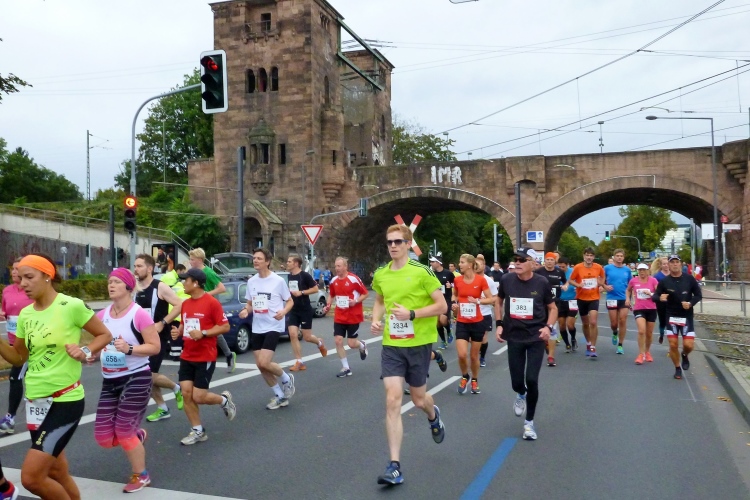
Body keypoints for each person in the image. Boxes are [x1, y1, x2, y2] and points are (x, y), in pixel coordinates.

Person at [0, 253, 112, 499]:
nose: (22, 283)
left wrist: (85, 351)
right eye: (19, 278)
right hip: (35, 402)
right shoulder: (27, 314)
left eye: (29, 277)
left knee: (31, 478)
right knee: (57, 472)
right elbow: (18, 358)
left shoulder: (70, 306)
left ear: (47, 276)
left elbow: (104, 335)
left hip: (64, 400)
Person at [371, 224, 447, 485]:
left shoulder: (422, 272)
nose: (393, 246)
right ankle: (394, 466)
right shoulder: (381, 274)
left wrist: (412, 314)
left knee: (418, 400)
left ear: (407, 244)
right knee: (392, 399)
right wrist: (375, 319)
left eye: (398, 242)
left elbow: (442, 305)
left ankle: (433, 415)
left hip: (419, 344)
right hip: (392, 344)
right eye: (389, 242)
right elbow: (379, 300)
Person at [93, 268, 160, 493]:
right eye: (109, 282)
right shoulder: (102, 316)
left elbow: (155, 347)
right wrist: (92, 355)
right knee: (103, 438)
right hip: (110, 380)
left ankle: (141, 475)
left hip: (136, 377)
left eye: (116, 282)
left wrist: (129, 348)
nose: (111, 285)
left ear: (129, 287)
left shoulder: (138, 314)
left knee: (123, 432)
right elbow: (99, 346)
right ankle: (136, 435)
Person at [496, 247, 556, 441]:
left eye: (522, 260)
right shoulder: (507, 279)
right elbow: (498, 301)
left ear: (533, 263)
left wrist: (548, 327)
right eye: (516, 259)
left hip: (535, 337)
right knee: (517, 382)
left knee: (531, 379)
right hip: (514, 336)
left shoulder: (542, 282)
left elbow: (552, 308)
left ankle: (529, 423)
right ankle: (520, 393)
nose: (518, 263)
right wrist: (499, 324)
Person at [171, 268, 235, 445]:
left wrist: (204, 333)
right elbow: (185, 325)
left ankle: (223, 400)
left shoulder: (211, 303)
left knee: (199, 397)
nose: (183, 283)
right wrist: (178, 331)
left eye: (186, 280)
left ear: (196, 283)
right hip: (187, 355)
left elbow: (225, 326)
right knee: (186, 393)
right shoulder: (185, 304)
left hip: (205, 356)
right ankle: (198, 431)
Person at [239, 248, 296, 409]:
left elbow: (290, 301)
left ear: (267, 262)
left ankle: (286, 378)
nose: (255, 261)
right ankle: (279, 395)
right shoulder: (251, 281)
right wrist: (245, 310)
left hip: (273, 325)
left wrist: (283, 311)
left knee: (265, 362)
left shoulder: (278, 281)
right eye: (254, 258)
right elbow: (250, 304)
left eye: (259, 258)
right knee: (260, 365)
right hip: (258, 326)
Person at [133, 254, 185, 424]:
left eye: (139, 266)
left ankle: (176, 388)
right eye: (135, 266)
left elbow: (179, 305)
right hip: (139, 337)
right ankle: (163, 408)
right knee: (147, 375)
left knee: (146, 374)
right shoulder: (134, 288)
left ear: (150, 268)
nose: (136, 269)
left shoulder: (160, 286)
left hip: (157, 338)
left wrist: (163, 323)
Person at [653, 255, 702, 379]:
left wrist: (690, 303)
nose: (675, 264)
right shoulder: (664, 281)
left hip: (686, 316)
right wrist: (660, 298)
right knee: (673, 344)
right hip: (671, 316)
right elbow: (655, 296)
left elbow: (698, 295)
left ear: (680, 264)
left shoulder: (689, 279)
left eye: (677, 262)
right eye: (672, 262)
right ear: (668, 265)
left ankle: (684, 355)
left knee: (689, 345)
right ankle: (677, 368)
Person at [451, 254, 493, 394]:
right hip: (462, 322)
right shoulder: (457, 280)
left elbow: (491, 299)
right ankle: (465, 376)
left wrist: (478, 301)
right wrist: (454, 303)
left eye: (462, 262)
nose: (459, 264)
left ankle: (474, 379)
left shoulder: (481, 280)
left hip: (477, 322)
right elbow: (455, 295)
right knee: (462, 354)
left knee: (474, 356)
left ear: (469, 265)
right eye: (459, 262)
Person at [188, 248, 236, 372]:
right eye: (190, 259)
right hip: (196, 304)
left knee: (214, 331)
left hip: (209, 305)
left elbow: (222, 288)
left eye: (192, 260)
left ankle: (228, 354)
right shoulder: (192, 272)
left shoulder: (208, 272)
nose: (190, 262)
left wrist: (206, 294)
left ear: (200, 260)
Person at [0, 258, 33, 435]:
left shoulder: (32, 292)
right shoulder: (7, 291)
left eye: (17, 269)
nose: (14, 272)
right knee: (32, 378)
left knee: (15, 376)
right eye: (12, 269)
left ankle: (10, 418)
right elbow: (5, 312)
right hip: (13, 342)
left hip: (30, 344)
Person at [324, 257, 369, 377]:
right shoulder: (333, 280)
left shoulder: (353, 279)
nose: (336, 268)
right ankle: (346, 367)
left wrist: (355, 301)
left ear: (345, 267)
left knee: (351, 344)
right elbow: (331, 295)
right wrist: (328, 305)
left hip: (353, 316)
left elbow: (365, 293)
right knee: (338, 340)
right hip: (339, 315)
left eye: (339, 266)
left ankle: (362, 345)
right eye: (335, 266)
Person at [286, 254, 328, 371]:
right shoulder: (289, 276)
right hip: (293, 309)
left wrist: (302, 292)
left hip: (305, 310)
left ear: (296, 263)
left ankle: (319, 343)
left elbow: (315, 289)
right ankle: (299, 362)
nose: (287, 263)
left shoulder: (305, 275)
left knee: (307, 337)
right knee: (293, 334)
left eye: (289, 261)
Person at [568, 247, 606, 358]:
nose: (589, 257)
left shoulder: (598, 267)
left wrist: (600, 283)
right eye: (587, 255)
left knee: (593, 322)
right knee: (585, 323)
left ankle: (593, 347)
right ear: (583, 256)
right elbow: (570, 280)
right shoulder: (578, 267)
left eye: (591, 255)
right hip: (581, 298)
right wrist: (578, 285)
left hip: (594, 297)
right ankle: (588, 343)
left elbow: (603, 277)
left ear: (594, 257)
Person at [535, 252, 565, 366]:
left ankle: (551, 357)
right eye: (547, 259)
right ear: (545, 261)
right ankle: (546, 343)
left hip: (554, 304)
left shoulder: (559, 271)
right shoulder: (539, 271)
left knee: (552, 327)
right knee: (541, 327)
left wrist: (565, 285)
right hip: (541, 304)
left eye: (551, 260)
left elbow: (565, 281)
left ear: (555, 261)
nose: (549, 262)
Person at [626, 263, 658, 365]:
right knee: (641, 331)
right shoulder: (633, 280)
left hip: (651, 309)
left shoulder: (653, 280)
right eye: (640, 270)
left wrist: (650, 294)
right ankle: (641, 354)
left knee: (649, 333)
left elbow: (658, 294)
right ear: (638, 271)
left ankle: (647, 352)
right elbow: (628, 290)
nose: (642, 272)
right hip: (639, 308)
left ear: (648, 271)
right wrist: (628, 299)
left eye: (644, 270)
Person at [603, 249, 632, 355]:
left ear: (624, 257)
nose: (619, 257)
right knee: (614, 323)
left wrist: (630, 298)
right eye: (617, 256)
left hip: (623, 298)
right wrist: (605, 286)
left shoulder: (627, 270)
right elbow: (600, 280)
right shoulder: (607, 268)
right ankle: (615, 332)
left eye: (621, 256)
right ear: (614, 257)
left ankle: (620, 345)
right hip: (611, 298)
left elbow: (631, 285)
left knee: (623, 320)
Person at [475, 254, 499, 368]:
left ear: (484, 266)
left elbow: (495, 298)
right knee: (473, 338)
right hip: (471, 313)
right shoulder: (468, 279)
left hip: (485, 313)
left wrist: (484, 300)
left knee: (483, 337)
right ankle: (475, 354)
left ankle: (482, 357)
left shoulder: (489, 281)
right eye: (476, 264)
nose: (477, 266)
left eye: (480, 264)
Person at [429, 254, 454, 349]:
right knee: (438, 322)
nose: (431, 263)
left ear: (438, 263)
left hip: (446, 299)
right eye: (431, 262)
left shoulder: (448, 273)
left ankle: (449, 331)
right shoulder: (431, 274)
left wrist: (451, 286)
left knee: (443, 320)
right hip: (435, 300)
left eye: (433, 262)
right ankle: (443, 341)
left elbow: (456, 284)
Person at [556, 257, 578, 352]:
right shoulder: (555, 272)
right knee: (561, 325)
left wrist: (578, 288)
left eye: (563, 267)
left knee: (570, 324)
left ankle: (573, 338)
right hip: (560, 301)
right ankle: (567, 343)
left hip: (572, 301)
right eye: (559, 266)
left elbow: (580, 282)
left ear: (567, 265)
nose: (561, 269)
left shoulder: (573, 272)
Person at [651, 257, 669, 344]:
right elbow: (656, 290)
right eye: (664, 264)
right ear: (661, 265)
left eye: (667, 264)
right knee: (663, 321)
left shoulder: (673, 274)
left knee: (670, 321)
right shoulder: (657, 276)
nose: (666, 265)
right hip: (661, 302)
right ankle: (661, 334)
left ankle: (671, 339)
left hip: (672, 302)